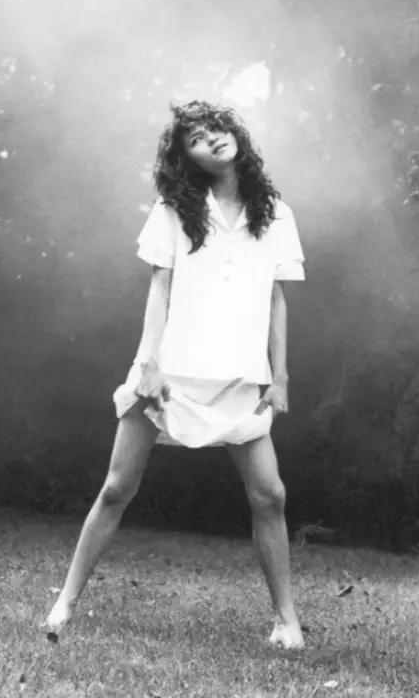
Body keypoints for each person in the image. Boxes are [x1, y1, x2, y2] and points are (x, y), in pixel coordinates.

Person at [43, 100, 306, 650]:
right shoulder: (172, 210)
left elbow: (276, 299)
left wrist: (279, 376)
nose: (213, 138)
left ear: (236, 135)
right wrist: (149, 364)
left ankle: (287, 622)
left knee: (270, 495)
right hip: (168, 371)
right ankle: (64, 602)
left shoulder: (276, 213)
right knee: (116, 489)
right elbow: (158, 290)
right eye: (198, 137)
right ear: (186, 158)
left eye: (218, 128)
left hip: (240, 378)